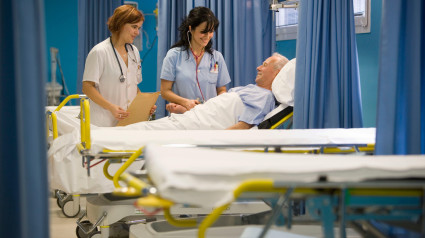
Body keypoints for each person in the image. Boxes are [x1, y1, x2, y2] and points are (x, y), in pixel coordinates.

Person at [124, 53, 288, 130]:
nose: (258, 67)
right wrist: (184, 108)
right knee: (142, 129)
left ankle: (102, 137)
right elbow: (218, 107)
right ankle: (102, 136)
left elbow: (243, 127)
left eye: (265, 65)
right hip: (191, 118)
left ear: (277, 73)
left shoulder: (265, 97)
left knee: (141, 131)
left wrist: (211, 140)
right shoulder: (250, 90)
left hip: (197, 127)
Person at [82, 5, 155, 127]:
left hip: (128, 122)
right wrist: (111, 107)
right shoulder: (100, 51)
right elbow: (87, 87)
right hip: (104, 122)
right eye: (134, 27)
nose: (137, 32)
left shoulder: (134, 52)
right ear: (121, 24)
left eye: (139, 28)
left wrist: (144, 105)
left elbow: (133, 85)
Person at [160, 7, 231, 114]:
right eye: (203, 32)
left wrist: (217, 105)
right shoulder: (174, 55)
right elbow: (165, 91)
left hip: (210, 117)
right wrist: (185, 102)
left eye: (211, 31)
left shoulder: (217, 57)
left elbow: (221, 90)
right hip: (182, 117)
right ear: (191, 29)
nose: (207, 36)